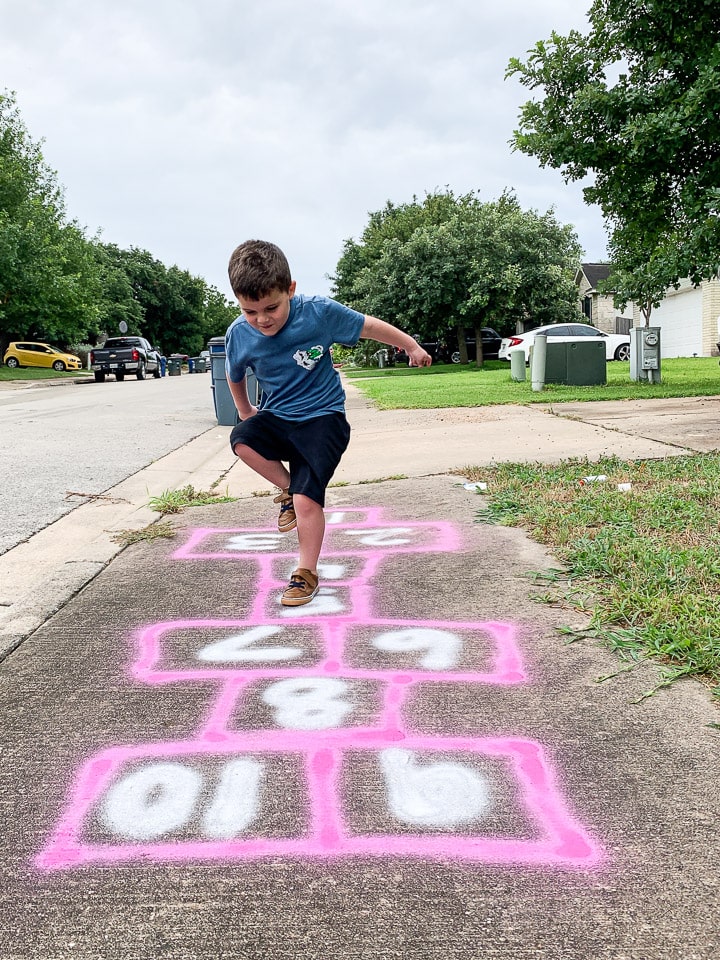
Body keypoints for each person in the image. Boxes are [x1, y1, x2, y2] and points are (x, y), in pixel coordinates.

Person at [224, 239, 432, 607]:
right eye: (249, 311)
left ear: (290, 289)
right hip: (277, 417)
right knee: (242, 439)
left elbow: (369, 327)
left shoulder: (318, 313)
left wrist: (411, 346)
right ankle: (288, 489)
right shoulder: (239, 333)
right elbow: (235, 375)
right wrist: (245, 412)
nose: (262, 320)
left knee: (308, 499)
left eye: (271, 307)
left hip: (324, 420)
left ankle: (305, 572)